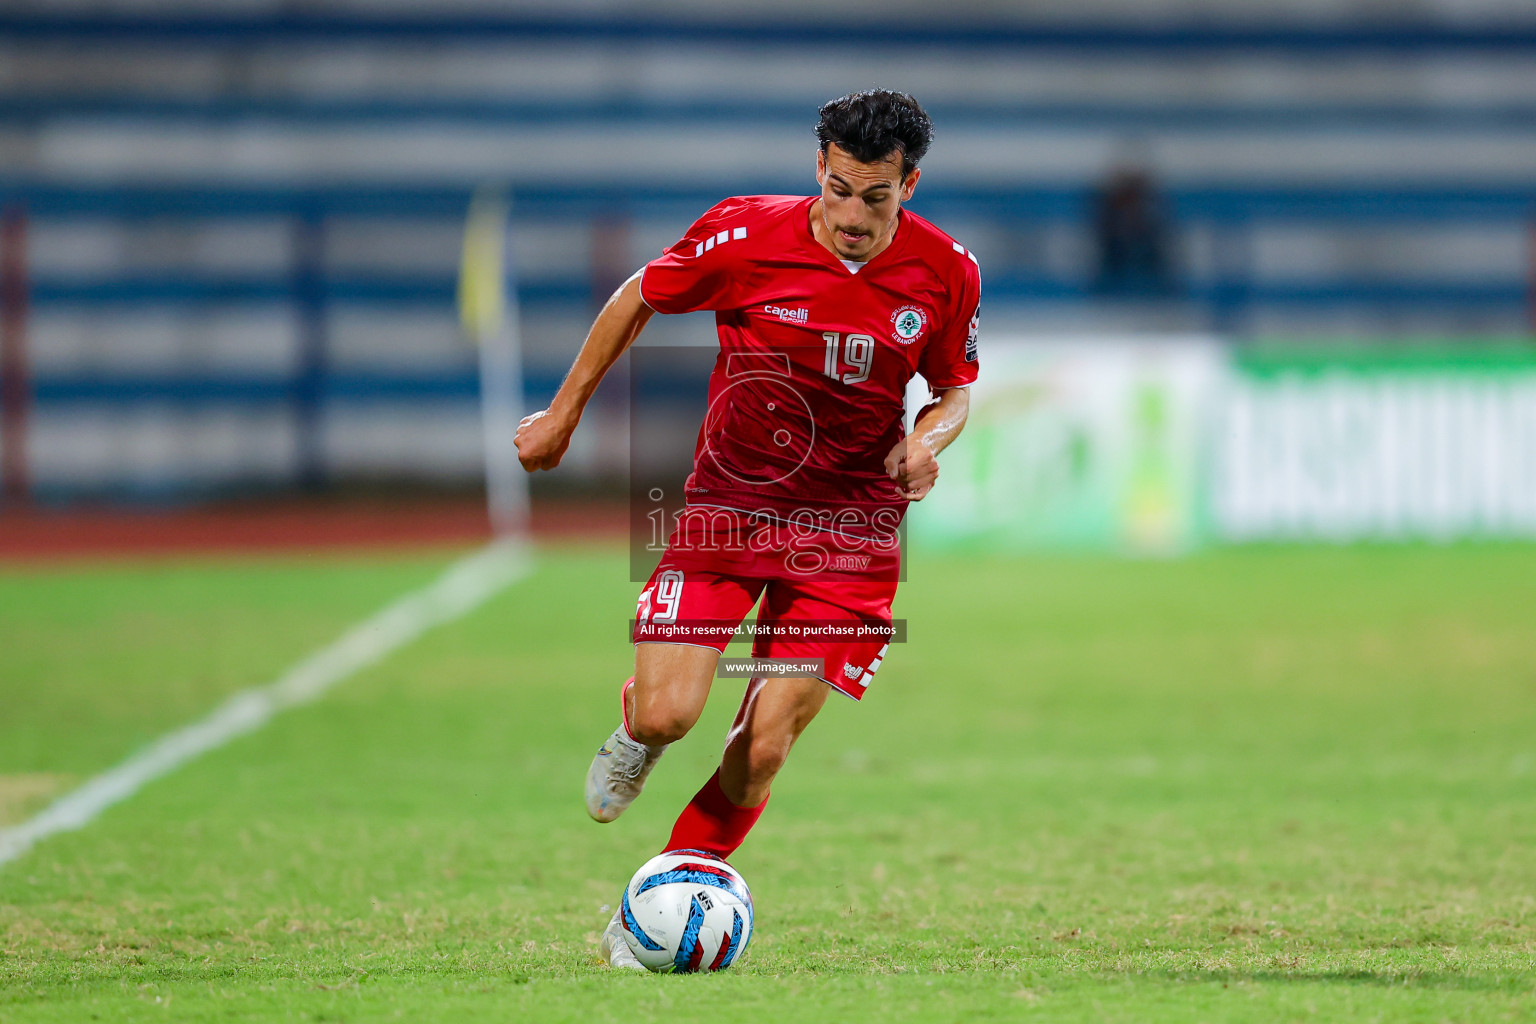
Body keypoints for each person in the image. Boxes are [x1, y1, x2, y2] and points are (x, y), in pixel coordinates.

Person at [512, 89, 980, 969]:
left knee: (763, 746)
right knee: (669, 716)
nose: (851, 215)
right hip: (728, 512)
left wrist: (927, 440)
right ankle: (637, 732)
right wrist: (563, 412)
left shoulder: (946, 271)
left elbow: (955, 388)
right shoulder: (742, 234)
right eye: (839, 189)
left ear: (908, 186)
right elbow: (638, 295)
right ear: (819, 169)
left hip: (850, 535)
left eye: (874, 198)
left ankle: (661, 899)